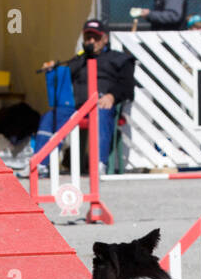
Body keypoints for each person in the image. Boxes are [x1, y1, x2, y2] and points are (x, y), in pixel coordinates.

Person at [40, 18, 135, 167]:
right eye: (88, 38)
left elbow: (127, 86)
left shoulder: (119, 59)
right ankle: (40, 164)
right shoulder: (78, 60)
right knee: (50, 117)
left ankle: (99, 164)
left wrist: (112, 96)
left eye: (96, 37)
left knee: (101, 112)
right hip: (77, 107)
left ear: (105, 39)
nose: (91, 41)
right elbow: (62, 80)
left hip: (101, 105)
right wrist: (53, 69)